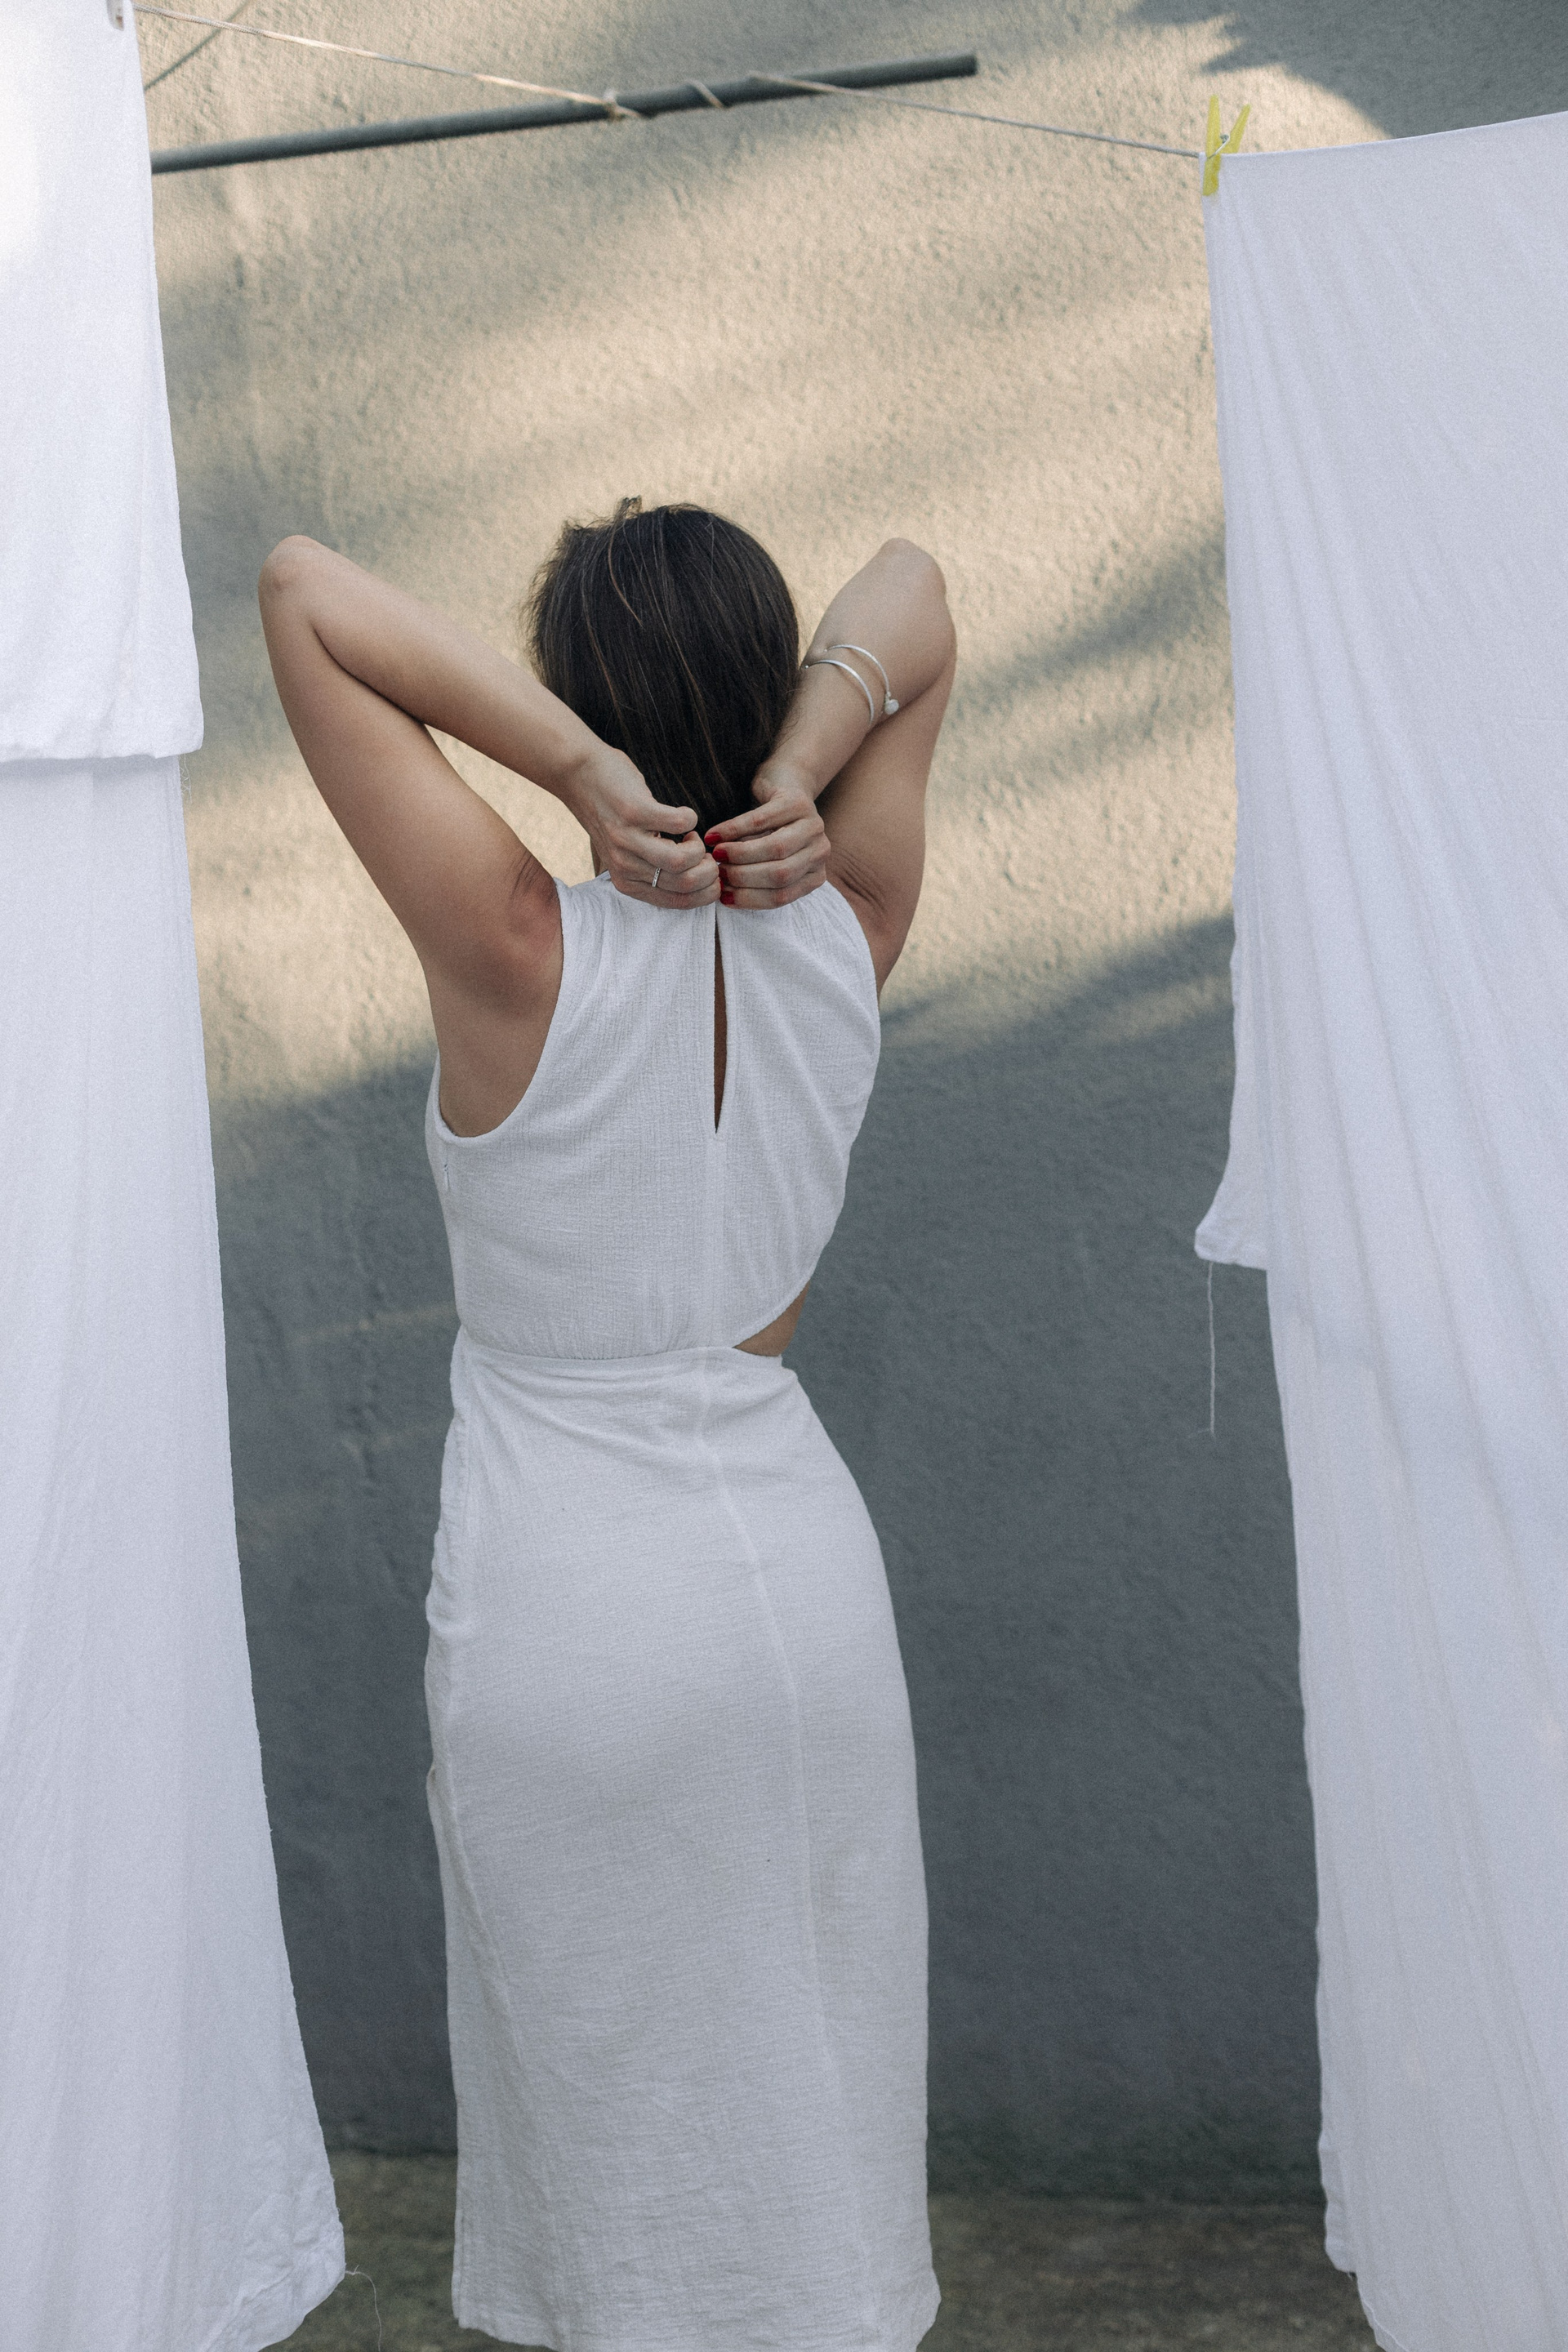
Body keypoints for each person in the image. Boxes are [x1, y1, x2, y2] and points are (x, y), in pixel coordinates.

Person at [259, 500, 956, 2352]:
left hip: (572, 1614)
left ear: (575, 694)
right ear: (772, 679)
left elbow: (305, 593)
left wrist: (580, 776)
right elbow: (916, 590)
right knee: (811, 2138)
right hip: (802, 1605)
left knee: (616, 2155)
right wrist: (806, 765)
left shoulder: (515, 944)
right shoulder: (855, 923)